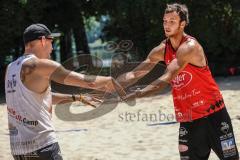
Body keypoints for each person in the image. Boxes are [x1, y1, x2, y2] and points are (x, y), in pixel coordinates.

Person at [118, 3, 239, 160]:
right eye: (165, 21)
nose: (167, 25)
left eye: (172, 21)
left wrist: (137, 94)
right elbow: (134, 75)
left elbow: (166, 78)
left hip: (214, 116)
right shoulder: (162, 49)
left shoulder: (190, 47)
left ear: (182, 24)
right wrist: (110, 85)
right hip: (188, 120)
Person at [5, 23, 125, 160]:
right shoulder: (40, 65)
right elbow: (86, 81)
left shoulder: (11, 68)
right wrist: (108, 80)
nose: (52, 48)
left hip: (18, 150)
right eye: (51, 42)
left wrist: (76, 97)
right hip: (42, 146)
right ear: (43, 40)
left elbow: (40, 97)